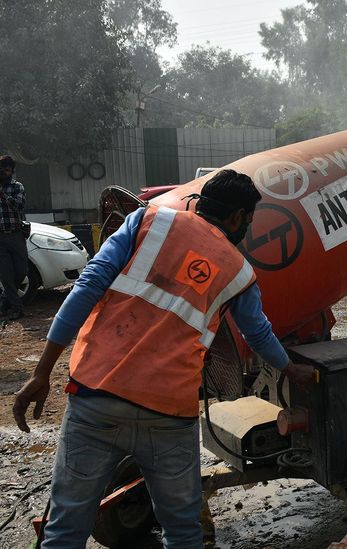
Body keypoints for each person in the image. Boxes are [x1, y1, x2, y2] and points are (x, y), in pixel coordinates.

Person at [12, 169, 316, 547]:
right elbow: (258, 335)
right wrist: (291, 368)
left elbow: (88, 285)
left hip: (96, 396)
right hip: (168, 414)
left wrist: (43, 372)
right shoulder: (240, 272)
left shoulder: (148, 219)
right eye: (249, 222)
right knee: (182, 530)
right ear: (237, 218)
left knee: (65, 527)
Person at [0, 155, 28, 320]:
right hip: (0, 238)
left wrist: (3, 194)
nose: (3, 173)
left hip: (15, 235)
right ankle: (17, 309)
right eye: (1, 170)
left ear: (12, 171)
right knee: (5, 275)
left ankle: (4, 300)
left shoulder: (17, 187)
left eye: (7, 170)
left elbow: (19, 206)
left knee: (21, 271)